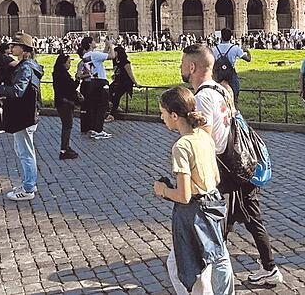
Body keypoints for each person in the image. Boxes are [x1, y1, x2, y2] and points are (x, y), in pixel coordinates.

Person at [181, 43, 283, 285]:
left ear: (192, 66)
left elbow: (205, 140)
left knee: (224, 221)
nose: (180, 67)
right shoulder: (221, 89)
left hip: (227, 169)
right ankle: (265, 267)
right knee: (235, 220)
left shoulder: (202, 98)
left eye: (183, 63)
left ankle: (214, 273)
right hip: (238, 163)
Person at [153, 86, 233, 295]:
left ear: (174, 115)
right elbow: (215, 177)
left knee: (188, 267)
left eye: (163, 113)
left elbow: (184, 195)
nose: (162, 118)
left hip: (192, 214)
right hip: (212, 205)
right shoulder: (205, 137)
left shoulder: (181, 146)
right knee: (209, 259)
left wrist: (163, 190)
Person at [0, 32, 44, 201]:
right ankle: (29, 182)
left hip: (24, 115)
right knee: (23, 150)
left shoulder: (25, 67)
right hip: (26, 113)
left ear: (23, 49)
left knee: (25, 153)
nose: (11, 48)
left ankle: (29, 188)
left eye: (14, 45)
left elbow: (17, 91)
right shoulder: (28, 65)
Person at [79, 36, 115, 139]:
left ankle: (94, 129)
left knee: (95, 106)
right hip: (101, 81)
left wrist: (106, 46)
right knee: (102, 107)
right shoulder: (94, 54)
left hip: (92, 82)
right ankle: (99, 130)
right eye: (94, 41)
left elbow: (102, 58)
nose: (95, 42)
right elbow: (112, 56)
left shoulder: (86, 56)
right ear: (90, 44)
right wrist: (111, 45)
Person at [52, 53, 79, 160]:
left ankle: (66, 147)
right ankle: (64, 150)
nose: (70, 65)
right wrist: (77, 79)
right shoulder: (62, 75)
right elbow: (71, 88)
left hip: (62, 102)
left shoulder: (58, 74)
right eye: (68, 62)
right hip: (65, 103)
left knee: (67, 126)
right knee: (67, 126)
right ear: (63, 63)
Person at [212, 28, 251, 101]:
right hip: (230, 74)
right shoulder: (235, 48)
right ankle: (234, 105)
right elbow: (248, 59)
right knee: (234, 95)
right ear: (231, 37)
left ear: (221, 37)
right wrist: (247, 51)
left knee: (216, 97)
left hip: (218, 75)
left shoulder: (214, 49)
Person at [107, 45, 138, 122]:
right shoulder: (114, 60)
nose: (113, 53)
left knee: (116, 96)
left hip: (125, 82)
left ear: (118, 53)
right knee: (108, 91)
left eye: (115, 51)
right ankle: (115, 106)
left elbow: (130, 73)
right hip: (117, 81)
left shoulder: (125, 62)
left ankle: (112, 115)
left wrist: (135, 83)